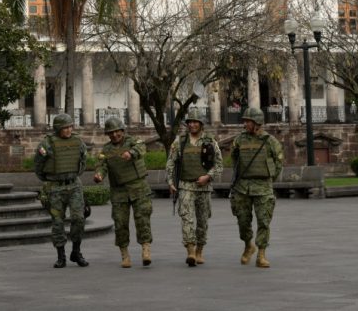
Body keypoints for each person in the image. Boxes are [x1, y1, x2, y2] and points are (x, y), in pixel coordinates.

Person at [92, 117, 153, 268]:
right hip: (118, 191)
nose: (114, 135)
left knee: (142, 219)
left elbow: (141, 149)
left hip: (138, 187)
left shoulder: (133, 141)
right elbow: (102, 165)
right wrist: (99, 174)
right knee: (120, 223)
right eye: (111, 133)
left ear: (122, 131)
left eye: (116, 132)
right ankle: (124, 255)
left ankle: (146, 250)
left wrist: (131, 153)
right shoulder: (106, 150)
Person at [166, 107, 223, 266]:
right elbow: (171, 162)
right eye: (190, 122)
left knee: (203, 221)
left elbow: (219, 165)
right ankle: (190, 250)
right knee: (187, 218)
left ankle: (199, 251)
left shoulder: (210, 141)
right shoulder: (180, 141)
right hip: (185, 185)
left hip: (204, 188)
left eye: (195, 122)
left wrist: (208, 177)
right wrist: (170, 182)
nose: (192, 125)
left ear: (201, 124)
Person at [230, 106, 284, 268]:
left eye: (248, 121)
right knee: (243, 221)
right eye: (245, 121)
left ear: (257, 122)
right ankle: (248, 245)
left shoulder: (270, 141)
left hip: (263, 188)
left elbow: (279, 162)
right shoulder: (239, 140)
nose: (245, 124)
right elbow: (234, 160)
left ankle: (261, 254)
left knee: (264, 221)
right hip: (242, 187)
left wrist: (268, 179)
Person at [34, 113, 88, 268]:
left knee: (78, 218)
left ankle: (76, 252)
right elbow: (38, 166)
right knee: (58, 222)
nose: (69, 130)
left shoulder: (78, 141)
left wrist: (74, 177)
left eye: (70, 126)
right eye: (65, 128)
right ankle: (61, 256)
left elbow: (83, 161)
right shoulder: (47, 144)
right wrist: (49, 181)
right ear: (58, 128)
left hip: (74, 185)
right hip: (55, 187)